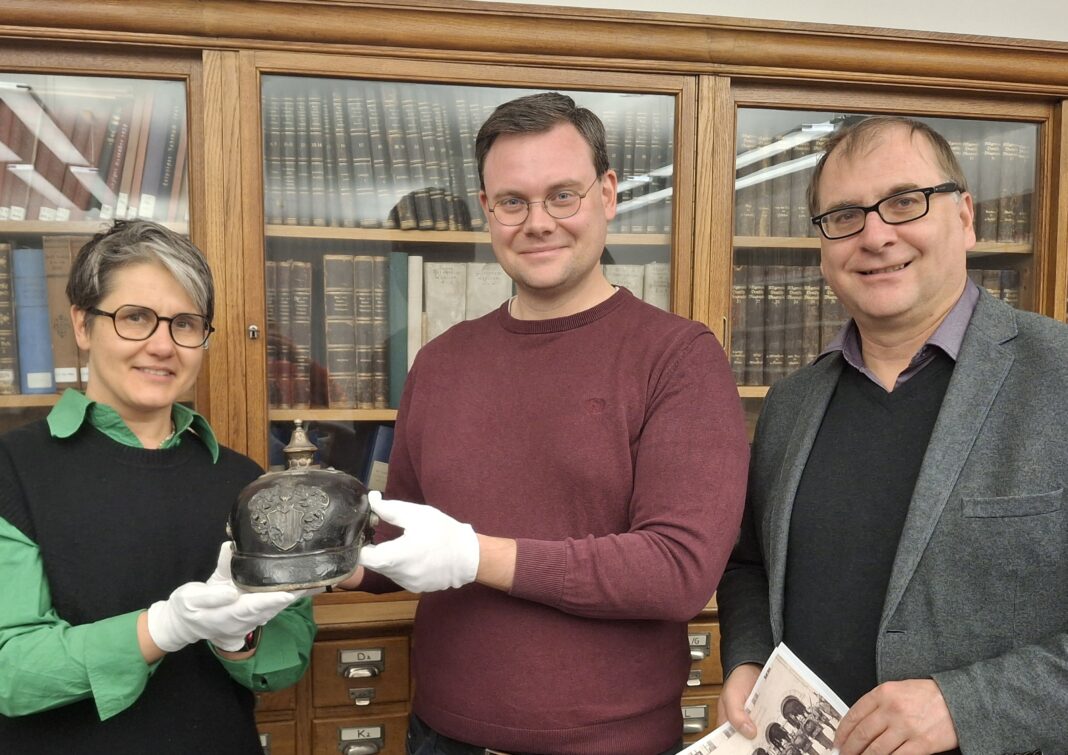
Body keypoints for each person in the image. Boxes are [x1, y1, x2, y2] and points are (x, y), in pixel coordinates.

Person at [339, 92, 749, 754]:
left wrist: (476, 554)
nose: (538, 222)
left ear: (608, 195)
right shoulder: (440, 363)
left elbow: (678, 568)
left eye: (563, 195)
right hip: (441, 736)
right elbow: (399, 544)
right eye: (513, 201)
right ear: (487, 211)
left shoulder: (679, 357)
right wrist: (319, 559)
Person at [716, 115, 1068, 754]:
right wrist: (746, 660)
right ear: (824, 247)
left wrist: (967, 707)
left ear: (964, 216)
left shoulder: (1059, 377)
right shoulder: (791, 405)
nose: (875, 235)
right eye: (845, 215)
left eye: (905, 202)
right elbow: (749, 564)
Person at [0, 220, 316, 753]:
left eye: (186, 324)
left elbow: (287, 659)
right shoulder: (12, 469)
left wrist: (237, 639)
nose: (163, 345)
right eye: (136, 318)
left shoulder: (249, 483)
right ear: (82, 325)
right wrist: (163, 628)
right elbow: (13, 670)